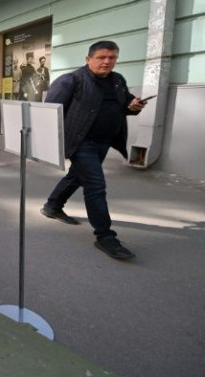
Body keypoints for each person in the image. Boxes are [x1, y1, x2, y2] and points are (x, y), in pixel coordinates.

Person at [41, 41, 147, 260]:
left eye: (112, 57)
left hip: (104, 141)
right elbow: (49, 113)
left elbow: (125, 103)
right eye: (101, 57)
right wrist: (50, 145)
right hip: (80, 142)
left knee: (78, 176)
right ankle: (105, 236)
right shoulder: (71, 81)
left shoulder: (117, 80)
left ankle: (52, 206)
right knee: (95, 184)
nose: (107, 61)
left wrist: (134, 105)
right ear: (89, 59)